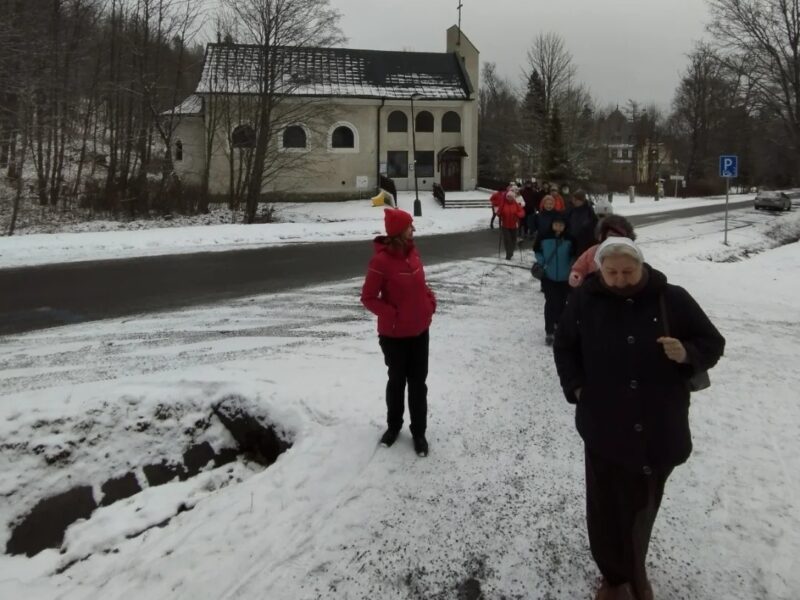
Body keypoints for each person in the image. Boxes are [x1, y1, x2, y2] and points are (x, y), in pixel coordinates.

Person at [553, 237, 725, 600]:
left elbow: (712, 342)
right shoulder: (585, 299)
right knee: (604, 507)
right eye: (611, 272)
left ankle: (634, 572)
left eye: (627, 271)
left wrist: (687, 353)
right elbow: (565, 346)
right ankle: (614, 578)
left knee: (641, 508)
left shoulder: (671, 298)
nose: (618, 279)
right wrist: (579, 389)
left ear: (641, 266)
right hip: (603, 425)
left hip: (658, 426)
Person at [361, 208, 436, 458]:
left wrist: (429, 302)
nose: (413, 229)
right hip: (394, 336)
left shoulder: (413, 253)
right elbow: (368, 298)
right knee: (397, 382)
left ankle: (419, 432)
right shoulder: (380, 261)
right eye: (409, 226)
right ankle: (394, 427)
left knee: (418, 384)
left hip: (419, 331)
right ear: (397, 232)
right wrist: (392, 314)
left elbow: (421, 286)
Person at [533, 215, 574, 345]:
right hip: (548, 276)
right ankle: (549, 331)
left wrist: (571, 267)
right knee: (550, 302)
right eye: (556, 224)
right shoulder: (544, 236)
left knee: (562, 303)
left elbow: (573, 255)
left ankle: (559, 326)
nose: (558, 227)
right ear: (552, 224)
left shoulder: (570, 239)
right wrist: (542, 261)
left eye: (561, 225)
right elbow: (537, 250)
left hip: (564, 278)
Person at [569, 215, 636, 288]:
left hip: (619, 291)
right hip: (594, 291)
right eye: (609, 235)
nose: (612, 240)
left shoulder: (628, 253)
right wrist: (576, 275)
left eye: (616, 236)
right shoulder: (593, 251)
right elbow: (580, 266)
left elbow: (636, 272)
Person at [566, 189, 600, 256]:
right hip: (572, 240)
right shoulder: (570, 209)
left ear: (582, 201)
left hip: (585, 241)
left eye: (576, 200)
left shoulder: (589, 211)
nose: (574, 201)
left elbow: (594, 224)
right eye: (573, 199)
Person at [496, 190, 526, 260]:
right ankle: (508, 253)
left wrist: (518, 214)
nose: (510, 198)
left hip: (514, 225)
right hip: (505, 225)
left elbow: (522, 212)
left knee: (513, 240)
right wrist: (499, 214)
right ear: (506, 197)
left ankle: (511, 252)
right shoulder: (503, 204)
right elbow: (498, 212)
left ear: (513, 197)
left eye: (511, 197)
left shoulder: (516, 204)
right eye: (508, 197)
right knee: (507, 240)